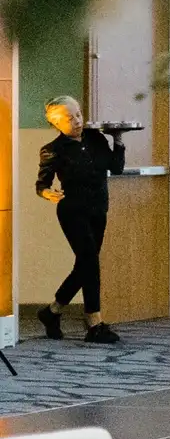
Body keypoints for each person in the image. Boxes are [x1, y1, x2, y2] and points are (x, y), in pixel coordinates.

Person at [35, 97, 120, 345]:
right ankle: (95, 323)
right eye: (70, 118)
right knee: (90, 263)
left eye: (79, 114)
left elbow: (115, 168)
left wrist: (119, 140)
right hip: (72, 211)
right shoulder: (53, 149)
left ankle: (52, 312)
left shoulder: (96, 139)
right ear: (56, 123)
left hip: (98, 208)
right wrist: (46, 193)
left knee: (84, 265)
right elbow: (42, 184)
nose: (78, 121)